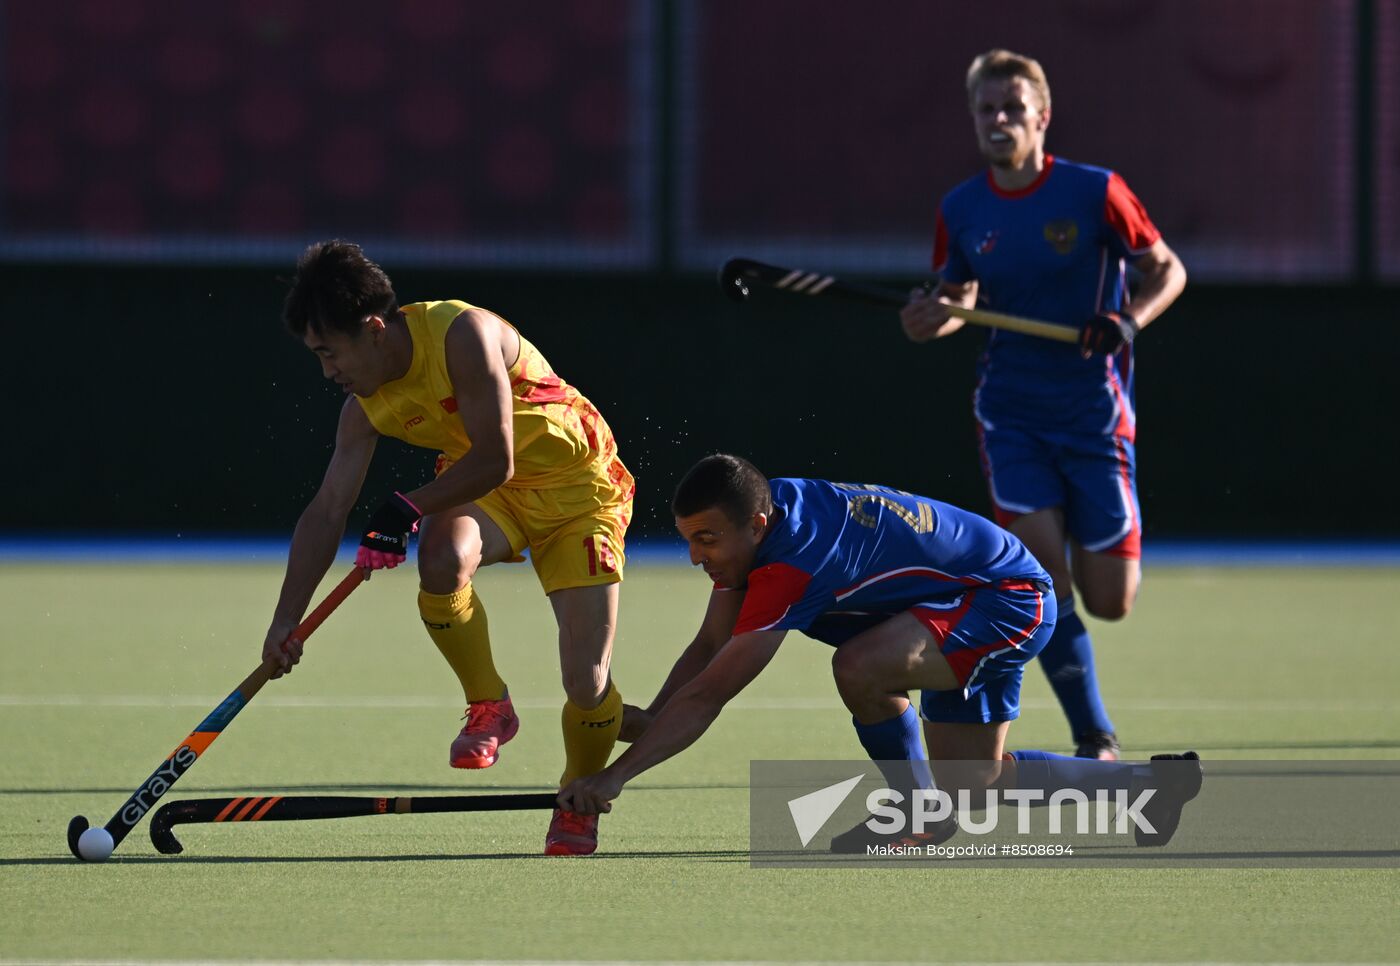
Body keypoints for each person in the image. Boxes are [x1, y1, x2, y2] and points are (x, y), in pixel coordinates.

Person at [559, 454, 1200, 851]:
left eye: (706, 540)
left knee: (859, 666)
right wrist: (649, 722)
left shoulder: (790, 564)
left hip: (1004, 598)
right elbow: (708, 647)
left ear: (753, 526)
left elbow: (713, 690)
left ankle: (914, 818)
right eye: (688, 540)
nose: (696, 555)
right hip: (957, 601)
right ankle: (1148, 785)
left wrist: (616, 776)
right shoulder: (760, 516)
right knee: (969, 787)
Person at [260, 240, 634, 856]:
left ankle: (580, 794)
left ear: (374, 329)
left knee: (587, 680)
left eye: (330, 352)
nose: (328, 372)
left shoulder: (462, 332)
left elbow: (496, 457)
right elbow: (327, 510)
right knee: (440, 559)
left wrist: (404, 508)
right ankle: (490, 704)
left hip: (580, 491)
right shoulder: (365, 407)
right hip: (493, 494)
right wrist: (284, 622)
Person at [899, 49, 1188, 760]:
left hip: (1094, 416)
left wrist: (1128, 321)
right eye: (986, 110)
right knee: (1043, 579)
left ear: (1042, 117)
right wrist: (933, 315)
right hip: (1011, 414)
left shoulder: (1096, 193)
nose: (999, 121)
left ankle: (1091, 707)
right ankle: (1095, 735)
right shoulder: (962, 209)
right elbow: (959, 297)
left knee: (1111, 598)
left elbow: (1168, 270)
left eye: (1012, 109)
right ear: (974, 119)